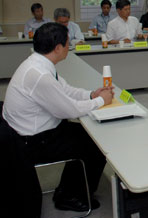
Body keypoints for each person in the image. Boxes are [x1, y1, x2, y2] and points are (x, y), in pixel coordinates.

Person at [2, 22, 114, 212]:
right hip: (32, 142)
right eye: (68, 43)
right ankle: (70, 196)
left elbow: (64, 89)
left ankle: (69, 189)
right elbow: (70, 110)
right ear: (58, 48)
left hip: (31, 132)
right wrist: (101, 101)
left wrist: (91, 94)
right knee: (96, 144)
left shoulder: (38, 63)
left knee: (88, 136)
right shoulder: (40, 76)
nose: (69, 46)